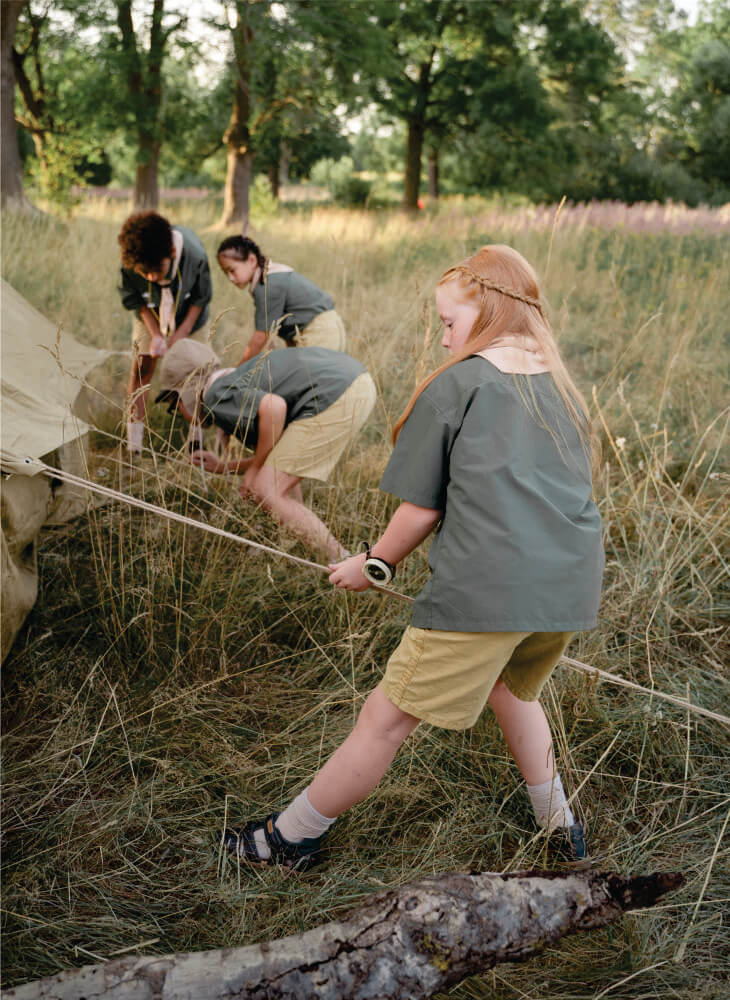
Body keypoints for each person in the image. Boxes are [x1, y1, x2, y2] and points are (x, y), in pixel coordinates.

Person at [222, 244, 605, 870]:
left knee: (385, 718)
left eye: (450, 321)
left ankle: (290, 838)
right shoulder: (557, 384)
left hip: (491, 590)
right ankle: (559, 824)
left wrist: (372, 564)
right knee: (513, 691)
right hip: (568, 586)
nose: (442, 335)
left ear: (488, 315)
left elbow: (420, 512)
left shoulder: (458, 385)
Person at [157, 340, 376, 561]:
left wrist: (254, 473)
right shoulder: (238, 380)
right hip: (356, 381)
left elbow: (274, 407)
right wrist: (225, 467)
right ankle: (304, 548)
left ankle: (345, 562)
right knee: (272, 485)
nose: (179, 414)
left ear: (184, 393)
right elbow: (277, 459)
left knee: (264, 488)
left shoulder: (214, 395)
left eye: (174, 406)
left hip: (335, 393)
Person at [118, 211, 212, 454]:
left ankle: (196, 439)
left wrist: (179, 335)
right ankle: (134, 445)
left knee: (195, 372)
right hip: (151, 311)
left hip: (189, 315)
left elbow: (200, 299)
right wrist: (156, 336)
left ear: (170, 253)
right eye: (143, 273)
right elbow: (134, 298)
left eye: (155, 271)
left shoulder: (194, 255)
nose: (150, 277)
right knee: (141, 369)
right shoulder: (133, 259)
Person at [217, 235, 346, 363]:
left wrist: (237, 372)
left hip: (319, 333)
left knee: (308, 381)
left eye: (232, 270)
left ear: (252, 260)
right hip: (330, 327)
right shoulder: (271, 274)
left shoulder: (266, 285)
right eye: (225, 273)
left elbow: (261, 337)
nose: (230, 278)